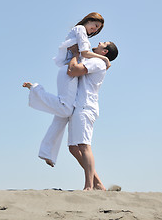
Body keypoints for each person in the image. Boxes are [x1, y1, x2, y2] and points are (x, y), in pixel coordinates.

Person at [23, 41, 118, 190]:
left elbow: (72, 71)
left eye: (103, 43)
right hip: (78, 106)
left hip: (86, 107)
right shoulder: (96, 60)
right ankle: (98, 183)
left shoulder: (97, 63)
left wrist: (75, 54)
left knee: (84, 146)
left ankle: (89, 186)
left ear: (105, 51)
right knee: (73, 148)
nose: (99, 42)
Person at [23, 13, 109, 167]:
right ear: (89, 20)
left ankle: (46, 152)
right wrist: (105, 58)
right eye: (95, 26)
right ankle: (36, 89)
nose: (94, 30)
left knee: (63, 115)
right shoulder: (80, 29)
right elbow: (83, 53)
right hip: (68, 72)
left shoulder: (82, 33)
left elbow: (83, 56)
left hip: (71, 71)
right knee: (65, 108)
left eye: (97, 29)